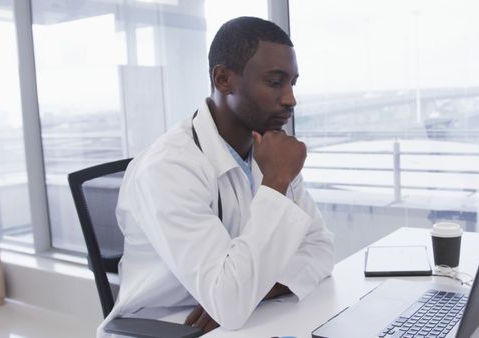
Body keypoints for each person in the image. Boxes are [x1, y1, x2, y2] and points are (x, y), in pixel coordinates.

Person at [97, 16, 335, 337]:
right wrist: (276, 181)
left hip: (241, 315)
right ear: (223, 79)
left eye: (293, 82)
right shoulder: (168, 167)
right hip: (168, 326)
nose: (290, 98)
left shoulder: (267, 150)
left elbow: (321, 248)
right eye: (275, 82)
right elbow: (231, 301)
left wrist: (256, 290)